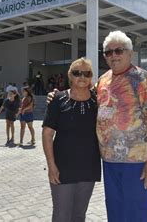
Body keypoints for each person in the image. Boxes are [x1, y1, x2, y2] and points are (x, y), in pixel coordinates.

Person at [47, 31, 147, 221]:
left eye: (119, 51)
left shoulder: (142, 79)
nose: (114, 55)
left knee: (137, 211)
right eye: (108, 52)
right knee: (115, 211)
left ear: (130, 53)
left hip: (136, 162)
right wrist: (57, 96)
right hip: (108, 161)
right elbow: (80, 92)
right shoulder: (103, 80)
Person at [43, 58, 100, 222]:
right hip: (62, 168)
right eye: (77, 73)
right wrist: (51, 165)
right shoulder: (57, 99)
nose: (82, 76)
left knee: (79, 215)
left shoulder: (99, 100)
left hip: (89, 167)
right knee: (62, 216)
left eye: (87, 73)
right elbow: (47, 134)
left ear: (91, 77)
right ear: (70, 75)